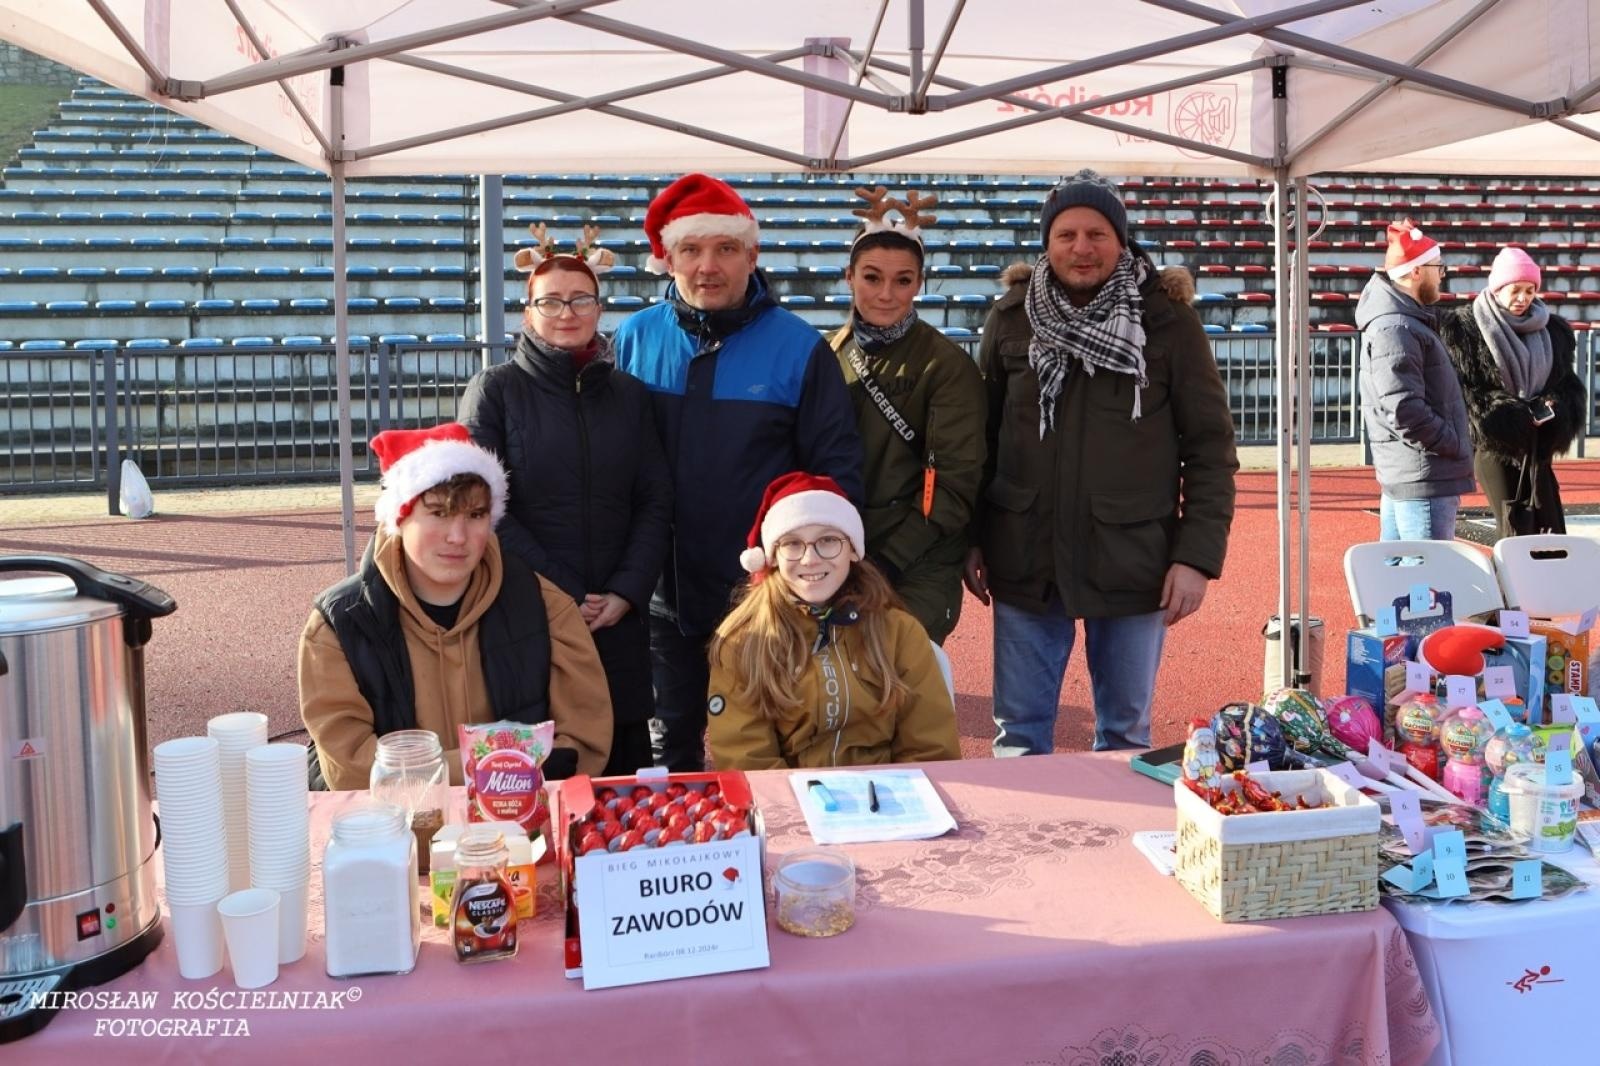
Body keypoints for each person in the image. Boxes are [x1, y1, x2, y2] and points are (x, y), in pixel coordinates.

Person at [964, 169, 1237, 755]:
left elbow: (1211, 449)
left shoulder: (1169, 322)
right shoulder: (1011, 317)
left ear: (1121, 240)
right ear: (1047, 243)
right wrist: (972, 538)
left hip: (1134, 562)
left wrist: (1196, 558)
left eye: (1096, 234)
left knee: (1125, 738)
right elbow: (978, 443)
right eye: (1066, 235)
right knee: (1019, 737)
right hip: (1025, 556)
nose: (1081, 248)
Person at [613, 172, 864, 771]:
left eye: (726, 249)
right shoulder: (633, 338)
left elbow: (835, 472)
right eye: (692, 250)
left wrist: (814, 571)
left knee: (768, 743)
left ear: (752, 256)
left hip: (762, 595)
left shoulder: (799, 348)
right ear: (667, 257)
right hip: (659, 595)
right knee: (669, 747)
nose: (708, 266)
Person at [458, 225, 672, 777]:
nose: (566, 312)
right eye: (550, 300)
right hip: (532, 609)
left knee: (621, 771)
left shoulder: (629, 395)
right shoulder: (496, 390)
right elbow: (487, 510)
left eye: (580, 299)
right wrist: (565, 593)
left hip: (618, 618)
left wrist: (627, 591)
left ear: (598, 308)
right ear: (528, 313)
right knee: (544, 768)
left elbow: (654, 498)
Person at [299, 423, 613, 790]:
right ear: (400, 518)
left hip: (516, 829)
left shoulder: (546, 607)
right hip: (397, 833)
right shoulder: (338, 625)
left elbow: (584, 747)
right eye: (439, 513)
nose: (458, 536)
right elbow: (350, 770)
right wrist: (500, 761)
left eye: (476, 515)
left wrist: (420, 770)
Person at [707, 472, 960, 770]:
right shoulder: (742, 641)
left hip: (891, 804)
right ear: (772, 555)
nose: (810, 559)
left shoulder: (899, 632)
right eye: (792, 544)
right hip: (791, 807)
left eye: (828, 541)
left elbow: (931, 750)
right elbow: (747, 761)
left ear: (853, 549)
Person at [828, 186, 986, 645]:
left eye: (902, 280)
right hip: (839, 553)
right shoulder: (825, 353)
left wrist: (885, 564)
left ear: (919, 283)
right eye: (872, 278)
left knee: (904, 691)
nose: (885, 294)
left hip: (918, 560)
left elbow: (954, 484)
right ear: (849, 276)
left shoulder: (947, 365)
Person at [1439, 246, 1585, 541]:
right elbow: (1466, 393)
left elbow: (1568, 385)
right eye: (1515, 290)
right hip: (1495, 448)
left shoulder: (1554, 331)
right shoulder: (1464, 330)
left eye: (1530, 290)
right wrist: (1514, 415)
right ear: (1498, 288)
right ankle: (1509, 588)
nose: (1523, 298)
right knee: (1513, 530)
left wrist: (1555, 409)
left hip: (1538, 447)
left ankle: (1545, 588)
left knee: (1550, 530)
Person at [1357, 218, 1474, 541]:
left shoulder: (1400, 321)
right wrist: (1450, 441)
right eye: (1439, 267)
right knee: (1425, 581)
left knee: (1398, 578)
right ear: (1417, 271)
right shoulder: (1398, 327)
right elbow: (1404, 409)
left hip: (1413, 472)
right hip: (1424, 475)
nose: (1443, 275)